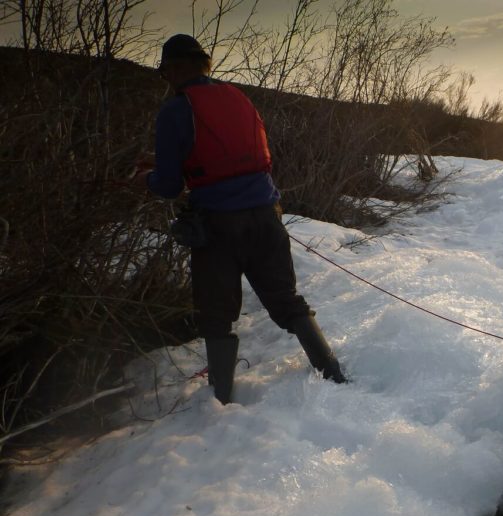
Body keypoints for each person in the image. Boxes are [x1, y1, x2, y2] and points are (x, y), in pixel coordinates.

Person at [138, 34, 347, 404]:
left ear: (175, 67)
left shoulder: (175, 110)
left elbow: (170, 186)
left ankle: (219, 401)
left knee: (216, 315)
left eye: (164, 70)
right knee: (286, 299)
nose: (164, 77)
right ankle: (333, 374)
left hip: (218, 226)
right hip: (267, 216)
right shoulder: (238, 97)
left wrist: (145, 178)